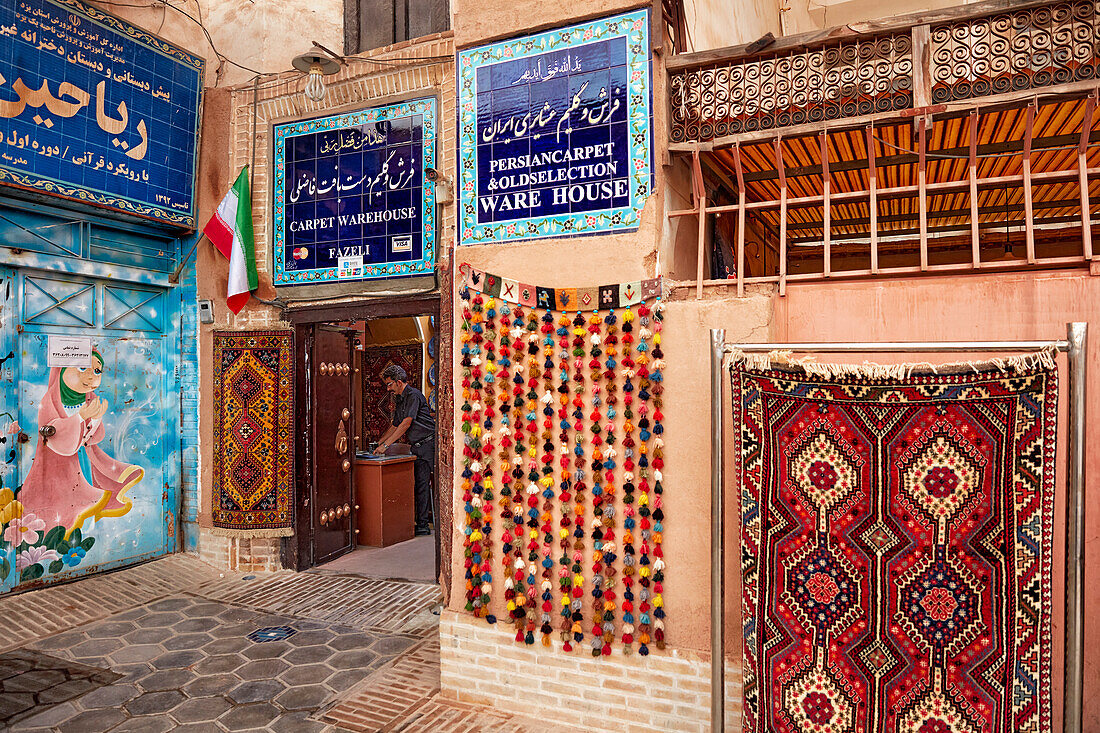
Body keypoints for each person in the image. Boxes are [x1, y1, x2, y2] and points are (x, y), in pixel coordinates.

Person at [19, 350, 143, 540]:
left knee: (87, 500)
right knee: (66, 504)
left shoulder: (89, 399)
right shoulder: (50, 401)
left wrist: (95, 419)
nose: (90, 376)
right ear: (61, 371)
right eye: (82, 367)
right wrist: (80, 417)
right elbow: (55, 436)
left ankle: (87, 534)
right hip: (58, 468)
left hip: (82, 462)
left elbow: (90, 438)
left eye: (96, 370)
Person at [376, 364, 435, 536]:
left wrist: (386, 446)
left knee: (431, 485)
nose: (388, 389)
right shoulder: (400, 398)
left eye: (389, 384)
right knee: (420, 485)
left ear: (399, 382)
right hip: (417, 447)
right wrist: (379, 442)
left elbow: (406, 423)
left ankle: (432, 524)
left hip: (428, 444)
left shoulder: (413, 395)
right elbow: (395, 424)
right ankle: (422, 524)